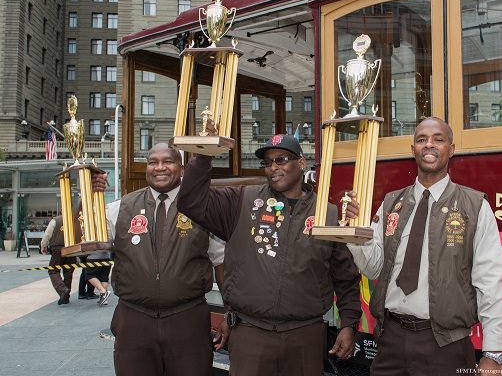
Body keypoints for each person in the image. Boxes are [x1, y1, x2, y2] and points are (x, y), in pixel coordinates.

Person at [178, 130, 362, 376]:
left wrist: (348, 324)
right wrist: (203, 157)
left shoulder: (326, 214)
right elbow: (190, 202)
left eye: (282, 159)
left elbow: (345, 276)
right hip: (251, 334)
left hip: (305, 336)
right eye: (268, 162)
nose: (273, 167)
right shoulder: (241, 200)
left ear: (301, 163)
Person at [345, 117, 502, 375]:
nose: (429, 145)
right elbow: (373, 268)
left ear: (451, 149)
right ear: (412, 149)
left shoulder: (474, 206)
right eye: (421, 140)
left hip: (445, 346)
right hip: (390, 341)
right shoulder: (391, 203)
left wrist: (493, 352)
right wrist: (355, 233)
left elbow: (489, 282)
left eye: (438, 139)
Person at [94, 143, 224, 376]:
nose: (159, 167)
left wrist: (230, 312)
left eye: (168, 162)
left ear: (182, 169)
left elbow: (222, 262)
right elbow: (82, 236)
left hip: (187, 319)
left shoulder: (202, 209)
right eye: (153, 162)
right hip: (134, 321)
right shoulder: (121, 208)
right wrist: (90, 196)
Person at [40, 216, 76, 305]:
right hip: (72, 248)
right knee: (68, 273)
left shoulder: (55, 221)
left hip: (58, 249)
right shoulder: (74, 220)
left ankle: (63, 290)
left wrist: (43, 245)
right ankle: (66, 297)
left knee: (53, 270)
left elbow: (47, 234)